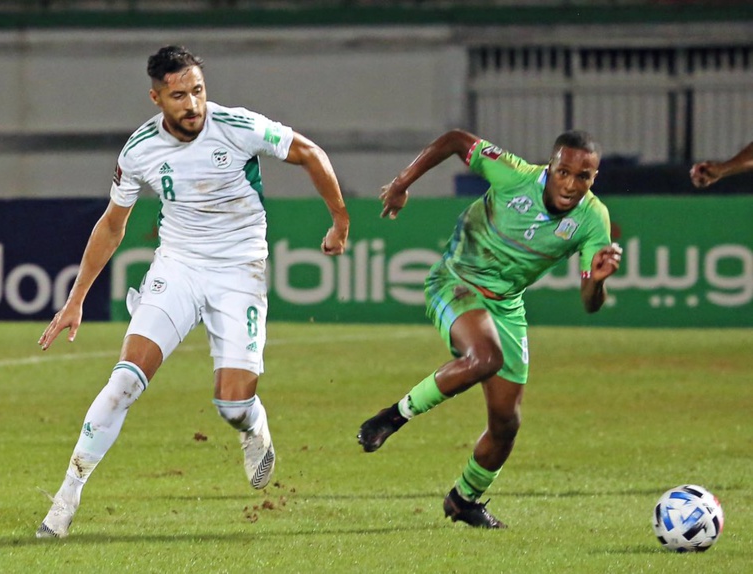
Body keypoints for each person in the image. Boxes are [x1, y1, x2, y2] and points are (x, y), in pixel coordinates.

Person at [36, 45, 349, 538]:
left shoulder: (238, 125)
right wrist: (75, 299)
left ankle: (252, 426)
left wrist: (340, 219)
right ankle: (65, 499)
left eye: (198, 91)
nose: (193, 104)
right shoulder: (138, 150)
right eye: (179, 95)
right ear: (157, 98)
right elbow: (113, 225)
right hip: (177, 266)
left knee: (231, 405)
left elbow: (309, 153)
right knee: (124, 382)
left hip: (238, 270)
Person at [357, 129, 622, 528]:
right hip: (455, 281)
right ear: (550, 167)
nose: (570, 184)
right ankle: (392, 417)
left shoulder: (592, 220)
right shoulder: (513, 175)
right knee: (484, 358)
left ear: (594, 177)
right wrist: (401, 183)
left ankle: (464, 500)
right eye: (563, 172)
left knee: (506, 423)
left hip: (506, 305)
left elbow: (590, 304)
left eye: (582, 177)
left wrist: (597, 281)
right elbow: (454, 140)